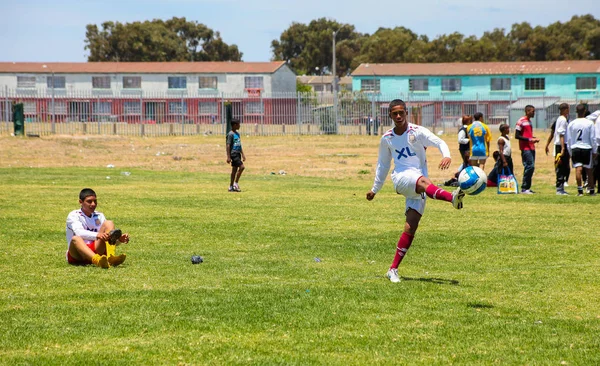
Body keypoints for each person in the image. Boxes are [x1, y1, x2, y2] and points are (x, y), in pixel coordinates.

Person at [366, 99, 465, 284]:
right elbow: (383, 165)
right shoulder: (387, 138)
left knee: (410, 228)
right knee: (424, 182)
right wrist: (374, 189)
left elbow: (439, 141)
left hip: (418, 182)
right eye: (394, 113)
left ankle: (392, 269)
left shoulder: (417, 132)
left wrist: (447, 155)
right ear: (390, 115)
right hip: (402, 178)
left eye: (401, 113)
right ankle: (452, 197)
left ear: (406, 113)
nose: (398, 116)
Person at [66, 188, 129, 268]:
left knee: (109, 223)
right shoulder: (73, 215)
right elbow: (79, 232)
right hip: (78, 254)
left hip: (96, 249)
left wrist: (119, 240)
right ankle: (97, 261)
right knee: (75, 238)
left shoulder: (99, 215)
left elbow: (107, 238)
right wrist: (98, 235)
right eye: (89, 201)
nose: (93, 204)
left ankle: (110, 257)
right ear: (81, 202)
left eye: (95, 201)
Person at [566, 104, 598, 196]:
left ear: (576, 112)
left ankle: (580, 191)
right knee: (589, 170)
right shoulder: (589, 123)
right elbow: (593, 138)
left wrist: (570, 151)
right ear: (585, 111)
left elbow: (569, 139)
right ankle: (591, 190)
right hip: (586, 147)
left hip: (575, 147)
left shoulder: (572, 123)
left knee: (578, 169)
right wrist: (594, 150)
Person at [515, 105, 540, 194]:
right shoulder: (521, 121)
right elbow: (517, 136)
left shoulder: (529, 122)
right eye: (532, 111)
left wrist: (533, 138)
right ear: (527, 111)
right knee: (529, 166)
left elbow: (527, 135)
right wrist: (530, 139)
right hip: (525, 148)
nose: (534, 113)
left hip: (531, 147)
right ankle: (524, 188)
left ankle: (527, 188)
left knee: (531, 167)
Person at [546, 103, 571, 195]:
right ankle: (559, 189)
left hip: (560, 145)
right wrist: (563, 148)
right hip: (561, 145)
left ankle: (561, 188)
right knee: (561, 167)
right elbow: (561, 134)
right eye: (568, 109)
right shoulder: (563, 120)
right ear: (565, 110)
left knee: (563, 167)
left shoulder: (560, 119)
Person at [443, 115, 471, 187]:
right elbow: (460, 140)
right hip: (465, 149)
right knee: (467, 163)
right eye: (470, 120)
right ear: (468, 121)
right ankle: (457, 176)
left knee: (465, 163)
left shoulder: (469, 128)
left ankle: (456, 176)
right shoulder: (463, 130)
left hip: (468, 149)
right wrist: (469, 140)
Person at [226, 118, 246, 192]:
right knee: (242, 167)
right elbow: (228, 145)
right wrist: (228, 156)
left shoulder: (237, 134)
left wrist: (243, 154)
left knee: (234, 170)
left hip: (238, 153)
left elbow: (239, 145)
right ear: (234, 125)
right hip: (233, 154)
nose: (239, 125)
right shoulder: (230, 134)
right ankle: (235, 183)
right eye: (238, 124)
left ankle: (231, 187)